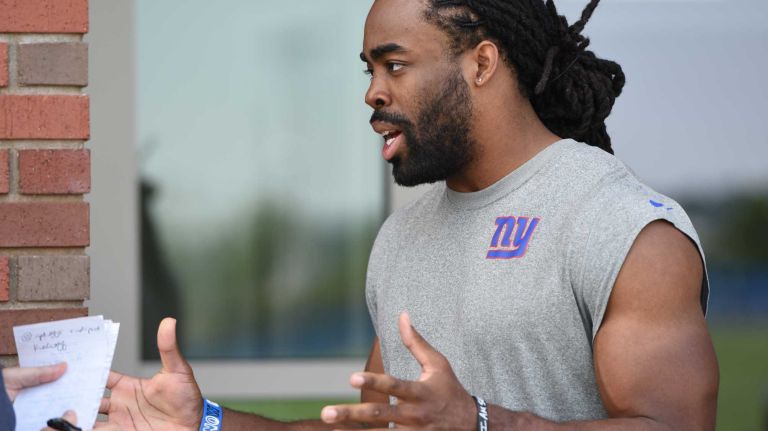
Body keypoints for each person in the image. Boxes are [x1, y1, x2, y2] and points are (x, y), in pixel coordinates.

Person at [99, 0, 719, 429]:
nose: (372, 90)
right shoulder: (401, 236)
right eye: (369, 70)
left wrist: (480, 422)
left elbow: (674, 425)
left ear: (481, 63)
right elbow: (370, 428)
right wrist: (203, 423)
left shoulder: (619, 223)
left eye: (394, 65)